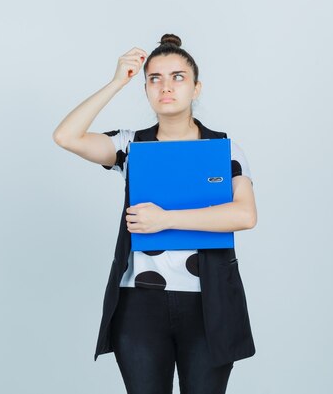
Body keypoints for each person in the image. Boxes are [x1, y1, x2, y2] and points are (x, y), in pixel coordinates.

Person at [52, 34, 257, 394]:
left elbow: (244, 214)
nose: (166, 86)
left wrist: (166, 219)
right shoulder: (131, 146)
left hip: (209, 304)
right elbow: (66, 136)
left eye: (178, 77)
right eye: (155, 78)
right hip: (140, 305)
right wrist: (117, 81)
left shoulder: (223, 150)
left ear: (196, 88)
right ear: (145, 88)